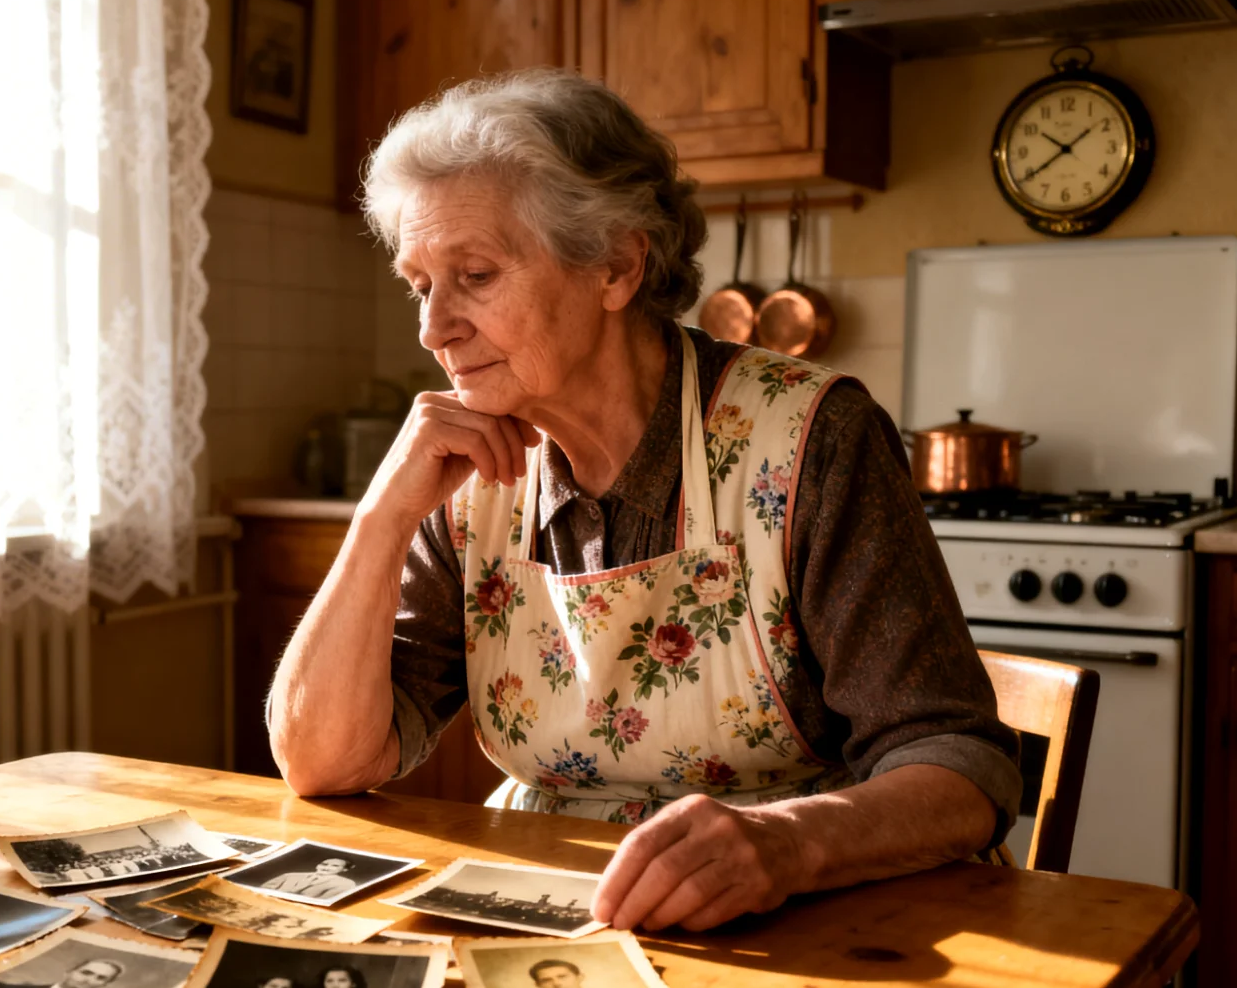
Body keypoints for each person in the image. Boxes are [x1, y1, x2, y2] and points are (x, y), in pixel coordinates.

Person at [266, 68, 1021, 933]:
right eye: (419, 285)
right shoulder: (467, 468)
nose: (433, 329)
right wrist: (380, 521)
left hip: (816, 916)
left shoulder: (815, 439)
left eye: (474, 274)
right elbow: (322, 762)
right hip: (557, 918)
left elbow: (961, 766)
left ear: (617, 266)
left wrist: (784, 844)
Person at [259, 857, 359, 901]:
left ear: (344, 869)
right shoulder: (290, 875)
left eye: (334, 866)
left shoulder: (345, 884)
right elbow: (261, 891)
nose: (326, 867)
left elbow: (323, 901)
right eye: (324, 864)